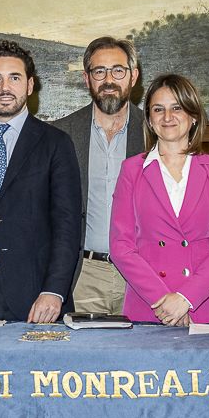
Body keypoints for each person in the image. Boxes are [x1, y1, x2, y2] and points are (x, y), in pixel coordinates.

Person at [0, 41, 82, 322]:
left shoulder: (56, 143)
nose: (5, 87)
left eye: (15, 78)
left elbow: (67, 225)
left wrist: (54, 290)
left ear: (29, 85)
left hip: (35, 293)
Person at [109, 73, 209, 325]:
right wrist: (163, 300)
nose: (167, 117)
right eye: (158, 109)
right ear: (149, 118)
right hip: (149, 308)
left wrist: (185, 299)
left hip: (204, 307)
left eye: (177, 108)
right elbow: (121, 246)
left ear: (193, 117)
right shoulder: (131, 170)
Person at [55, 36, 147, 315]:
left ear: (133, 76)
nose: (109, 80)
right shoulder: (61, 134)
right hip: (84, 275)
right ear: (87, 78)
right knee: (85, 358)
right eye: (99, 72)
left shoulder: (155, 133)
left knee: (142, 358)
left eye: (118, 70)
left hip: (144, 274)